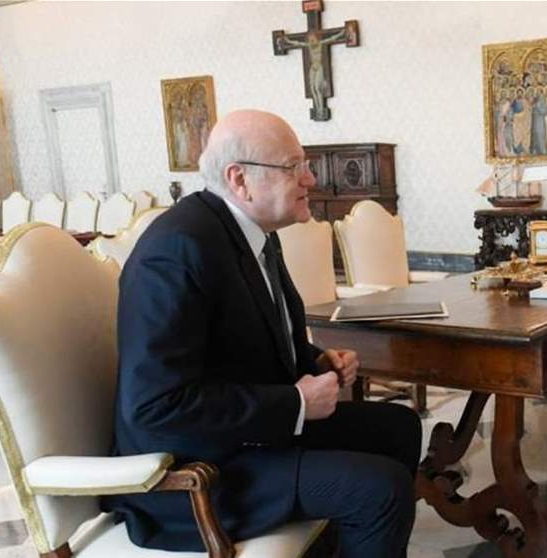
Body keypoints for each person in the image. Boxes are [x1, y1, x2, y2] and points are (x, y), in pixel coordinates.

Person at [103, 109, 422, 558]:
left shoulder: (254, 234)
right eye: (294, 167)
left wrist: (316, 361)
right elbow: (156, 408)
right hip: (194, 475)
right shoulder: (176, 250)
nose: (311, 179)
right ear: (240, 180)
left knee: (399, 427)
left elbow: (244, 345)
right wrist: (296, 403)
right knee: (380, 490)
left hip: (244, 440)